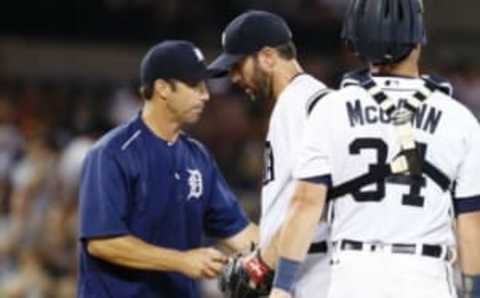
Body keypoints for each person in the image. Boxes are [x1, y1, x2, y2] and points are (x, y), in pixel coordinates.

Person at [267, 1, 480, 298]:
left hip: (353, 274)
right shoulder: (459, 118)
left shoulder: (331, 109)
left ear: (356, 41)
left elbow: (305, 203)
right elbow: (470, 222)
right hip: (424, 275)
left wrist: (281, 286)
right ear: (418, 40)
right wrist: (474, 292)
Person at [77, 40, 258, 298]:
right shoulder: (111, 153)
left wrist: (296, 252)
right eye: (195, 85)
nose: (205, 95)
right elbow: (102, 242)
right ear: (162, 88)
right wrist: (181, 261)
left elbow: (240, 233)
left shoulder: (198, 156)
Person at [209, 10, 331, 298]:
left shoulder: (298, 104)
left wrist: (261, 268)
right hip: (305, 267)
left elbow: (315, 200)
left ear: (267, 57)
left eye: (238, 65)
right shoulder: (307, 100)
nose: (235, 77)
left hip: (314, 272)